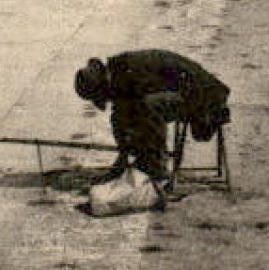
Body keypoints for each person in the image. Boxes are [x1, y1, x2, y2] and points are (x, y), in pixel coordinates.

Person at [76, 49, 231, 184]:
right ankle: (148, 160)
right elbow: (120, 118)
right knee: (125, 113)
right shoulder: (118, 72)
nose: (107, 99)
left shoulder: (129, 71)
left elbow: (140, 114)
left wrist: (142, 152)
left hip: (203, 95)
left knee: (148, 107)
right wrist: (121, 160)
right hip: (184, 90)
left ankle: (156, 166)